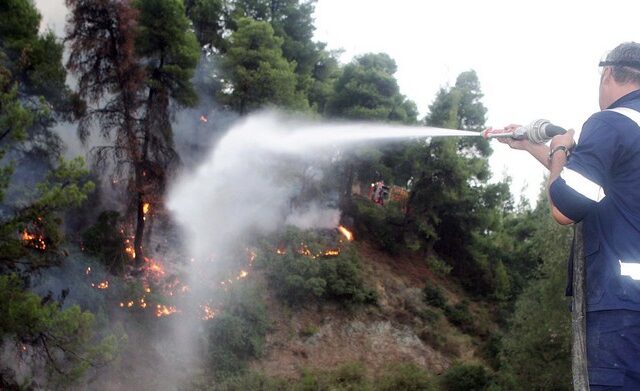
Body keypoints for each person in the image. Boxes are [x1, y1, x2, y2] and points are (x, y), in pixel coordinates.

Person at [500, 42, 640, 390]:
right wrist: (535, 147)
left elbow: (565, 208)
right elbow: (594, 189)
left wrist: (561, 147)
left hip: (619, 306)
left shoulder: (610, 123)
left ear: (607, 72)